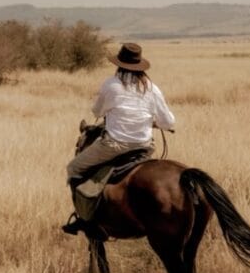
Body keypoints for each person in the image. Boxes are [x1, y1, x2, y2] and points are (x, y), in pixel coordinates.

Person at [62, 42, 175, 236]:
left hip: (114, 145)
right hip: (144, 147)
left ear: (119, 64)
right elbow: (169, 122)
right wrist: (153, 123)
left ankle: (84, 219)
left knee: (73, 168)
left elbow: (97, 111)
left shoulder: (111, 84)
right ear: (140, 65)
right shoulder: (152, 88)